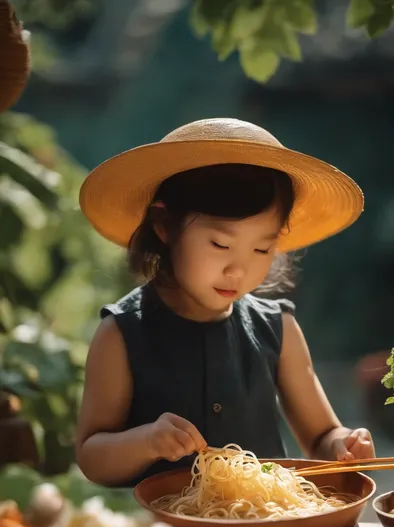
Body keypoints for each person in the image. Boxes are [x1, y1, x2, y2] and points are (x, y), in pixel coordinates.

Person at [76, 117, 375, 487]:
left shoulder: (278, 327)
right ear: (164, 225)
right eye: (220, 244)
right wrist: (147, 441)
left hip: (266, 526)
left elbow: (320, 437)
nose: (239, 269)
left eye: (262, 248)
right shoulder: (121, 333)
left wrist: (344, 444)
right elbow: (92, 456)